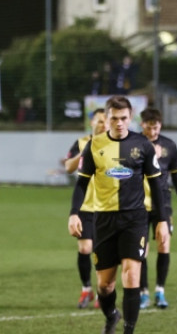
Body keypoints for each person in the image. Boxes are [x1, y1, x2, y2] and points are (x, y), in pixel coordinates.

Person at [68, 96, 167, 334]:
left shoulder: (143, 145)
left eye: (124, 118)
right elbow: (81, 183)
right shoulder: (94, 145)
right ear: (107, 118)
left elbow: (156, 185)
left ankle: (128, 330)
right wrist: (74, 214)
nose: (119, 123)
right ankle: (111, 315)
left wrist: (162, 220)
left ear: (130, 117)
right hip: (104, 219)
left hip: (135, 219)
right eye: (114, 118)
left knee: (131, 275)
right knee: (105, 285)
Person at [137, 107, 177, 309]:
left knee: (164, 244)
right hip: (138, 205)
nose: (153, 132)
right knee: (141, 250)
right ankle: (143, 293)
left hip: (163, 205)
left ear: (160, 125)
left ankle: (160, 291)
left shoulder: (169, 145)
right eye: (149, 127)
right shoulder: (134, 144)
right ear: (142, 124)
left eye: (156, 127)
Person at [63, 108, 106, 309]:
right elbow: (68, 167)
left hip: (106, 207)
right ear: (92, 123)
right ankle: (86, 289)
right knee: (85, 248)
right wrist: (85, 151)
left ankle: (101, 292)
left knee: (102, 251)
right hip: (85, 206)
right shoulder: (81, 143)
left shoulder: (114, 145)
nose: (103, 125)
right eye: (99, 121)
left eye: (106, 121)